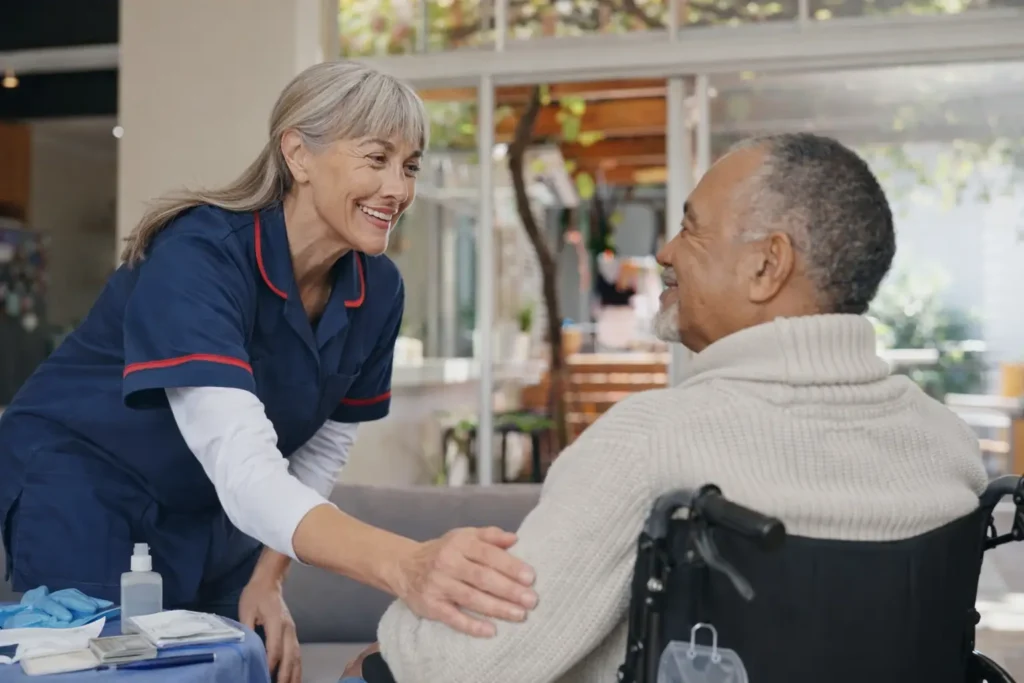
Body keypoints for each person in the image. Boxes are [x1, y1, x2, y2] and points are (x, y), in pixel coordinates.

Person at [342, 133, 989, 682]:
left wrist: (387, 646)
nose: (665, 252)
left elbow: (462, 665)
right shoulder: (951, 448)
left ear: (768, 265)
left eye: (690, 228)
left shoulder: (651, 445)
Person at [0, 61, 537, 683]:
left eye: (410, 166)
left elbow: (322, 445)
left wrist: (268, 575)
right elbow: (241, 458)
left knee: (230, 668)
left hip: (216, 508)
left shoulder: (377, 287)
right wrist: (405, 564)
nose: (398, 188)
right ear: (298, 155)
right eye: (376, 158)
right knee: (107, 673)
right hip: (87, 487)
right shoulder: (199, 255)